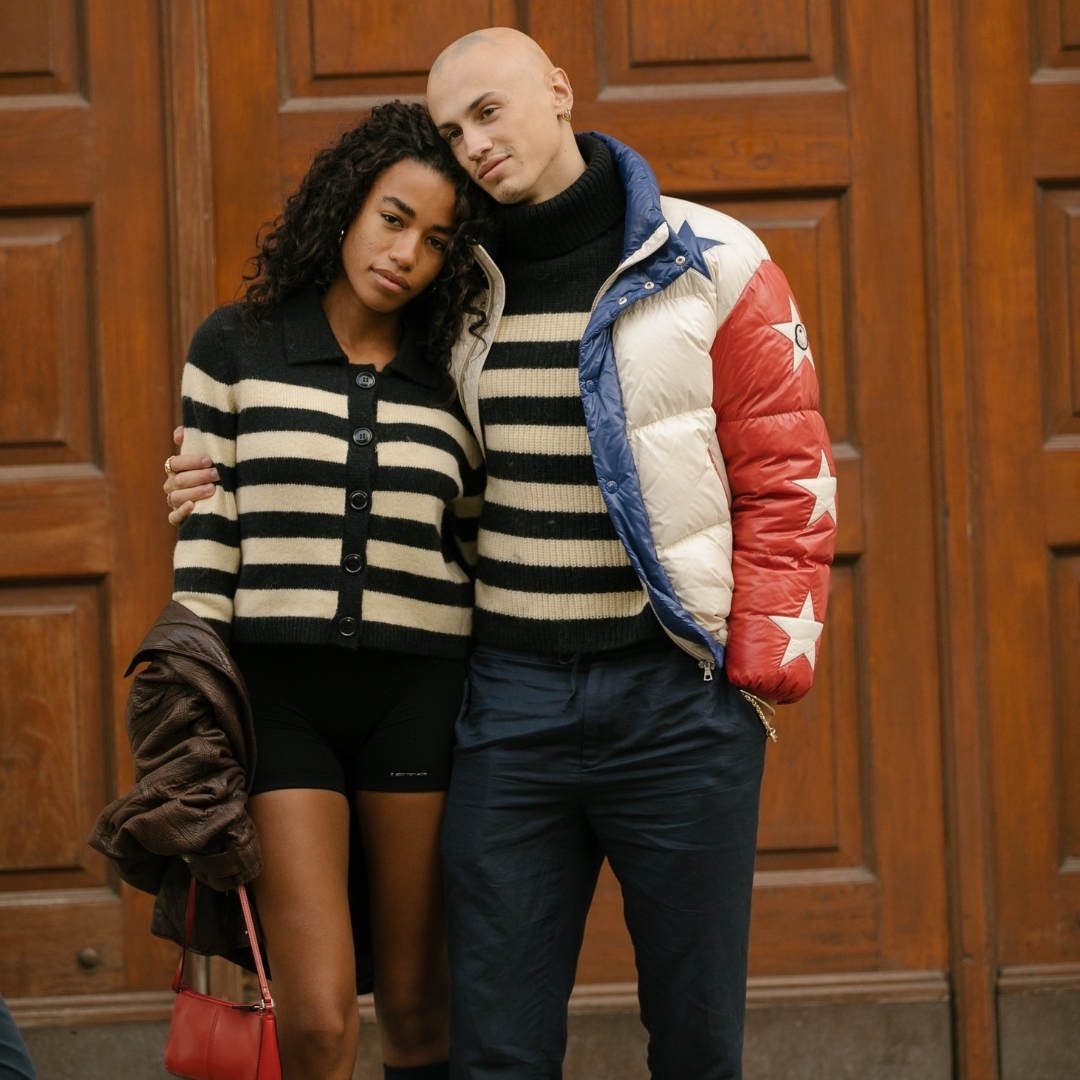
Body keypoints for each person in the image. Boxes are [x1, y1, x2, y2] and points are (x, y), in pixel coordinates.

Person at [168, 28, 837, 1080]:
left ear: (559, 90)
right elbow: (364, 423)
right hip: (508, 703)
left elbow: (785, 462)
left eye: (490, 111)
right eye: (451, 129)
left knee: (700, 1039)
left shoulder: (709, 258)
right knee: (497, 1047)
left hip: (674, 698)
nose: (473, 145)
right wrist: (216, 479)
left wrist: (750, 668)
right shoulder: (455, 289)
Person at [166, 101, 490, 1080]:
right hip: (280, 701)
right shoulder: (235, 347)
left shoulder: (454, 375)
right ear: (346, 207)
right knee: (311, 1020)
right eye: (393, 217)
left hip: (419, 700)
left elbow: (475, 543)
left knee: (420, 1011)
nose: (406, 254)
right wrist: (196, 707)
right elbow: (207, 539)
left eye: (436, 240)